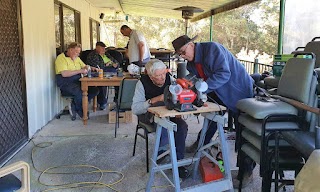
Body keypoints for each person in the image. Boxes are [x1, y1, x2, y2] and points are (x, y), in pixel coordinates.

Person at [171, 35, 255, 186]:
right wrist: (187, 86)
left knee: (244, 135)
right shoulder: (191, 62)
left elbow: (223, 73)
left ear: (191, 45)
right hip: (219, 92)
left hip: (238, 91)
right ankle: (201, 144)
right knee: (211, 119)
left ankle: (246, 173)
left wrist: (201, 90)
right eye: (180, 55)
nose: (183, 56)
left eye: (183, 52)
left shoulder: (212, 49)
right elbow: (195, 79)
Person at [131, 59, 189, 179]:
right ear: (151, 76)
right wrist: (155, 99)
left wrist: (179, 108)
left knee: (182, 126)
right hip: (149, 115)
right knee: (163, 123)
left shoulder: (169, 78)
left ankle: (178, 162)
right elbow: (135, 109)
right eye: (158, 75)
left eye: (164, 73)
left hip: (168, 113)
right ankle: (161, 152)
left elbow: (178, 96)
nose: (163, 77)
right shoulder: (142, 83)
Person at [55, 42, 99, 118]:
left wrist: (92, 68)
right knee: (80, 92)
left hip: (77, 80)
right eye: (76, 52)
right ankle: (81, 111)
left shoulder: (77, 58)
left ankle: (75, 105)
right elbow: (64, 74)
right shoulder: (61, 58)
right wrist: (80, 71)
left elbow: (84, 66)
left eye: (79, 53)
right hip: (65, 82)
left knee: (94, 90)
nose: (78, 54)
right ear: (70, 50)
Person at [86, 41, 119, 109]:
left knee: (120, 82)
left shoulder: (106, 54)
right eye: (102, 48)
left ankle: (118, 101)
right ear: (97, 48)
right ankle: (102, 103)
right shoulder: (93, 55)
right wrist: (105, 65)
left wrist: (115, 64)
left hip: (112, 71)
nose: (104, 50)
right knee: (102, 84)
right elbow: (96, 67)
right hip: (101, 72)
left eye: (104, 48)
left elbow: (116, 61)